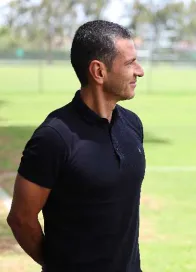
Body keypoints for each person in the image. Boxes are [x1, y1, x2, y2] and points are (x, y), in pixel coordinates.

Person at [7, 20, 145, 272]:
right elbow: (21, 219)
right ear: (98, 72)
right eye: (129, 63)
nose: (140, 71)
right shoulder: (54, 138)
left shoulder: (132, 125)